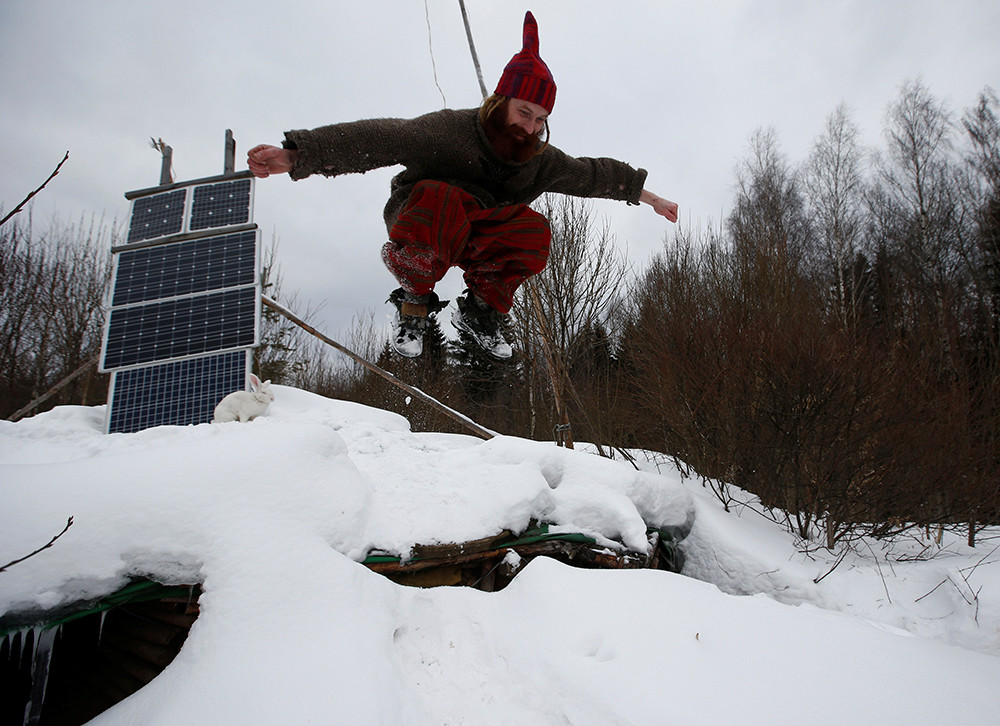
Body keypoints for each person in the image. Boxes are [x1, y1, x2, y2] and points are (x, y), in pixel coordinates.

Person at [248, 10, 678, 360]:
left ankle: (480, 310)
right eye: (524, 112)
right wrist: (298, 155)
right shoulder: (449, 131)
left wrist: (649, 196)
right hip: (423, 220)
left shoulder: (536, 160)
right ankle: (414, 302)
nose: (530, 127)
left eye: (540, 119)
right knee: (446, 200)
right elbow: (379, 137)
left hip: (477, 234)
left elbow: (591, 174)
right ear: (502, 100)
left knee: (533, 230)